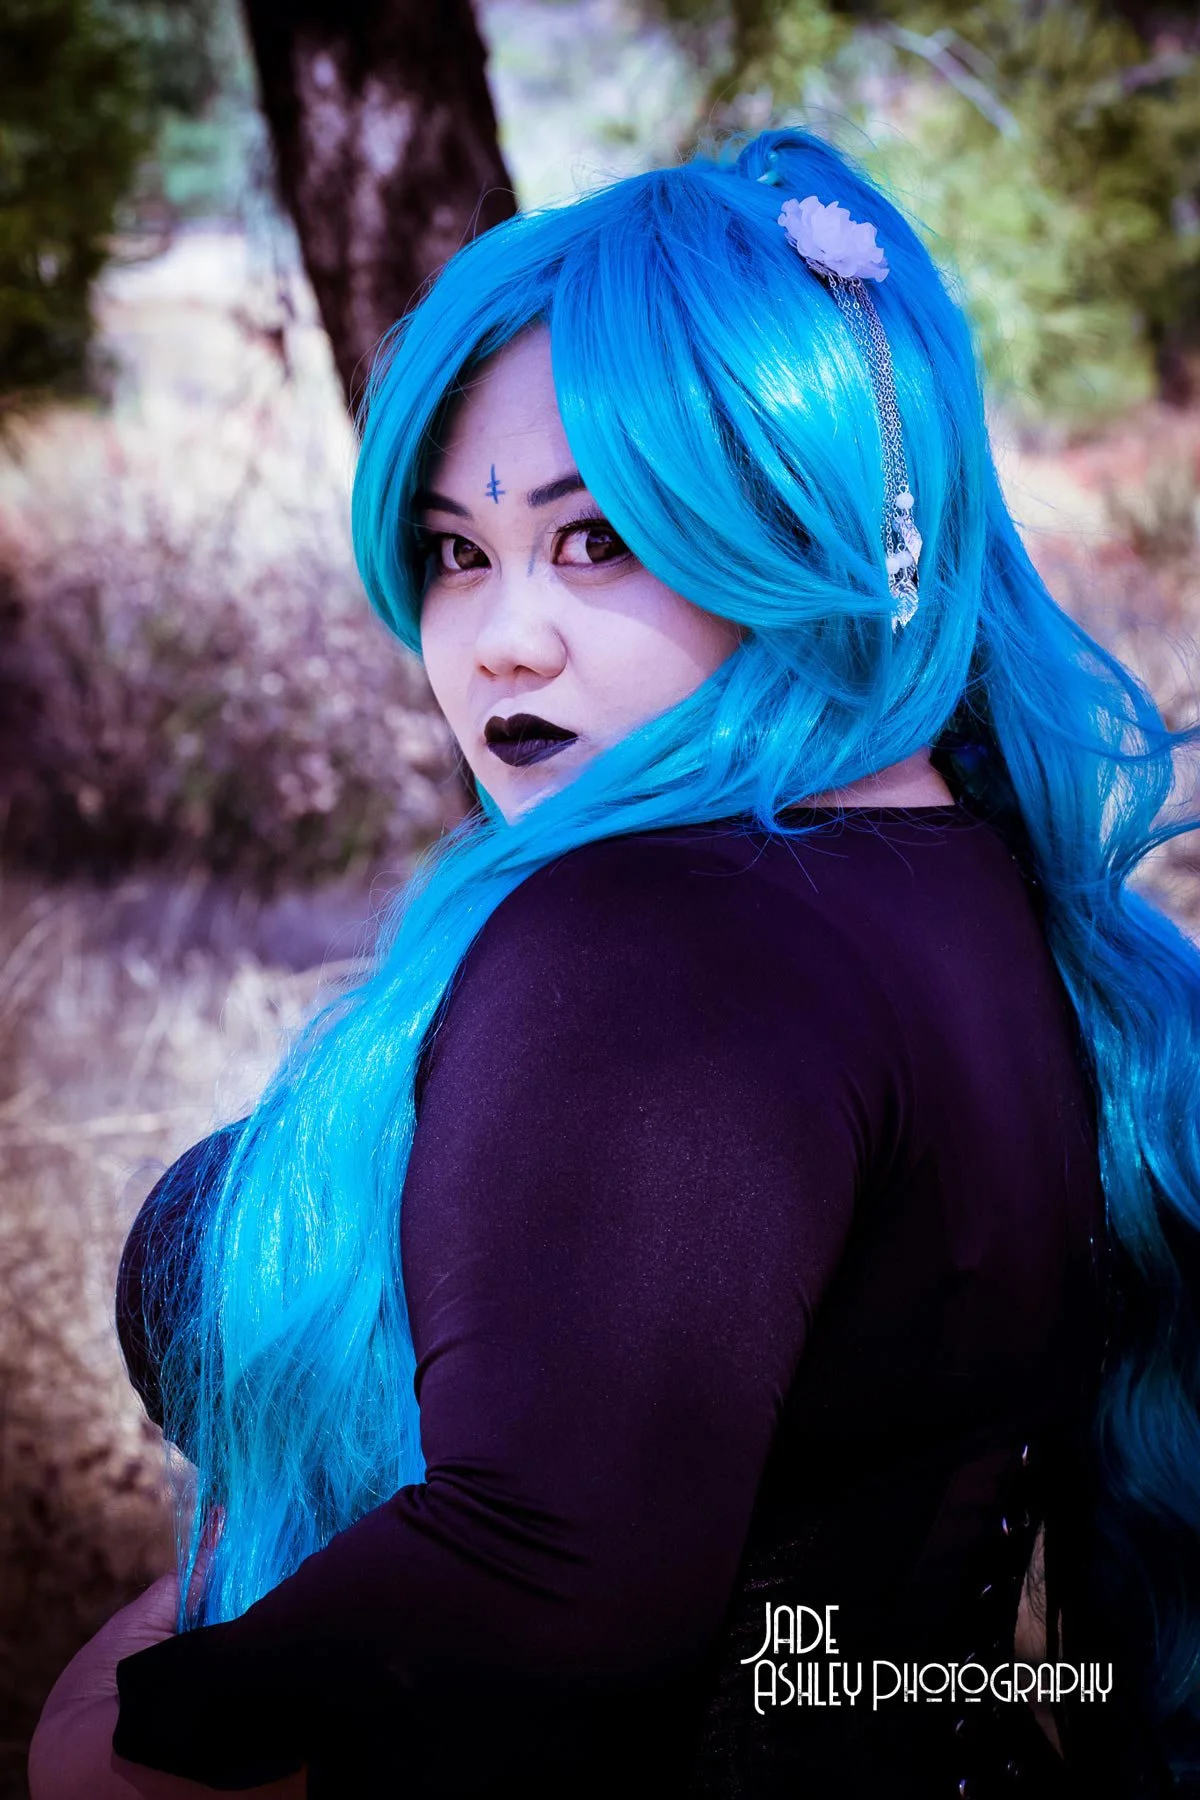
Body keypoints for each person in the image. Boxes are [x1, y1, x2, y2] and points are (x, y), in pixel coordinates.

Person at [29, 126, 1200, 1799]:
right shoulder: (981, 898)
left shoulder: (663, 939)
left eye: (596, 539)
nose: (501, 640)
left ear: (805, 526)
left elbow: (550, 1576)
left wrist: (119, 1735)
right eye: (455, 550)